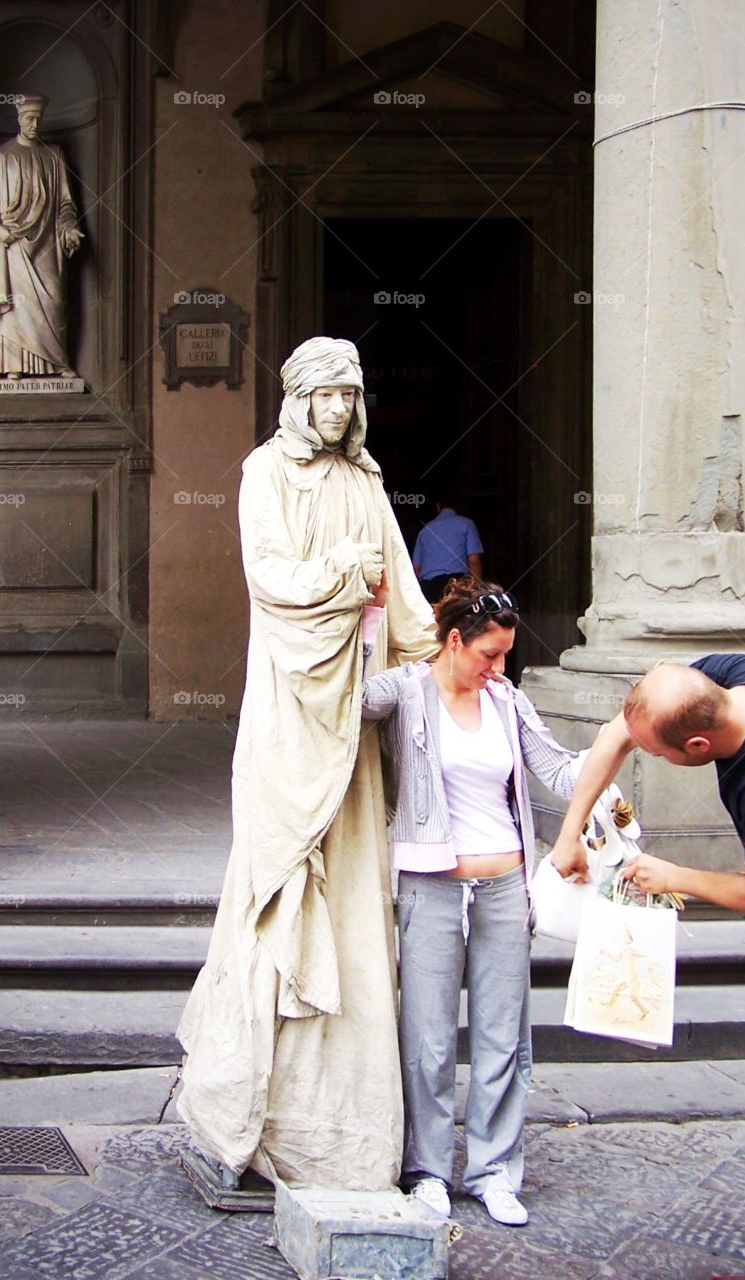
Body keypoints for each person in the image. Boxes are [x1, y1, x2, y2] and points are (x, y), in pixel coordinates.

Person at [176, 337, 438, 1195]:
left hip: (352, 723)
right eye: (324, 397)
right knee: (279, 872)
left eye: (348, 399)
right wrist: (339, 573)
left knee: (352, 889)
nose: (337, 411)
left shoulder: (366, 483)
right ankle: (253, 1107)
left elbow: (400, 591)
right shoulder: (264, 473)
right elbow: (269, 577)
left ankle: (343, 1136)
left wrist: (442, 667)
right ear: (298, 400)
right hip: (291, 714)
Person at [550, 656, 745, 1280]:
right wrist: (570, 830)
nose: (654, 760)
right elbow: (619, 731)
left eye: (661, 756)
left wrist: (673, 875)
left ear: (697, 743)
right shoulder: (739, 677)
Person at [360, 576, 578, 1226]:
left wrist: (626, 735)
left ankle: (492, 1170)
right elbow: (345, 703)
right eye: (489, 655)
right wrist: (369, 612)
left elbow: (561, 770)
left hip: (506, 887)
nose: (497, 668)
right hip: (431, 885)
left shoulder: (507, 701)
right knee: (427, 1038)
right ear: (454, 640)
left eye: (505, 655)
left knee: (502, 1035)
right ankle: (427, 1168)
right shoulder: (406, 690)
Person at [0, 93, 84, 379]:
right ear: (19, 119)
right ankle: (13, 365)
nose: (34, 124)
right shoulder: (2, 155)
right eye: (29, 118)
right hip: (11, 245)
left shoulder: (54, 155)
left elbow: (65, 203)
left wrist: (69, 227)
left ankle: (57, 362)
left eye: (38, 118)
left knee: (53, 301)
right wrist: (0, 230)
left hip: (47, 244)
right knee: (14, 306)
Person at [412, 496, 484, 602]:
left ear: (438, 507)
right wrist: (476, 592)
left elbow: (416, 569)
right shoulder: (467, 524)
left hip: (429, 589)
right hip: (457, 587)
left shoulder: (424, 531)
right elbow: (474, 561)